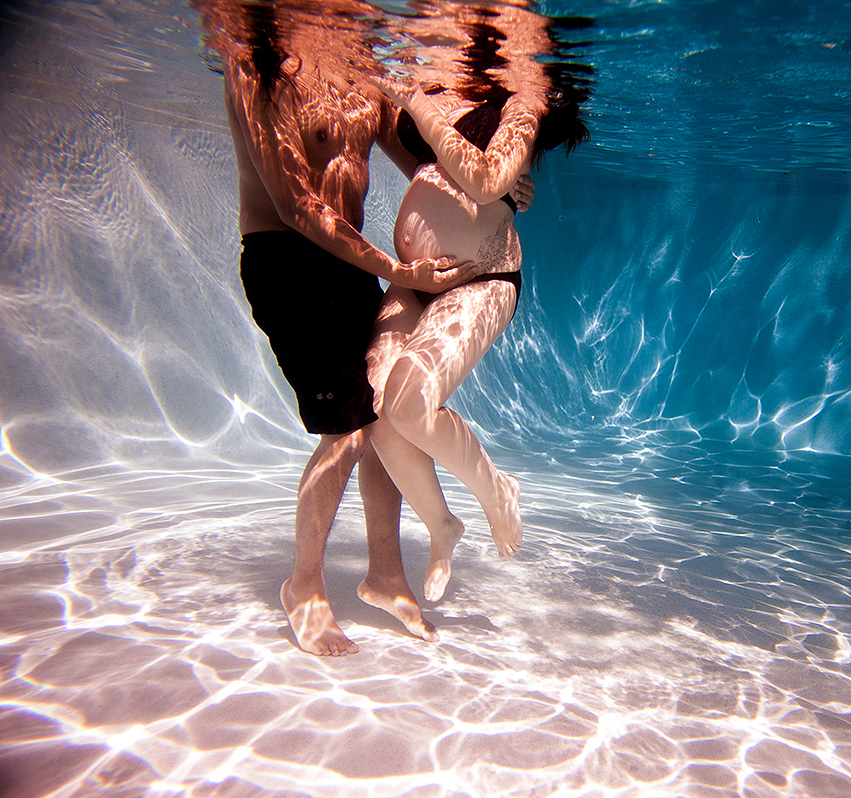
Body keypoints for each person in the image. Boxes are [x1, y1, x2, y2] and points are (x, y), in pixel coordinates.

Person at [206, 0, 535, 655]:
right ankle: (304, 585)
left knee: (382, 412)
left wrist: (500, 190)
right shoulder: (257, 68)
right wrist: (401, 272)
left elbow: (425, 162)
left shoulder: (361, 78)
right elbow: (294, 204)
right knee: (347, 433)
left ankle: (385, 574)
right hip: (291, 264)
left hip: (351, 264)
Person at [363, 1, 590, 604]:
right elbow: (436, 162)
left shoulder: (525, 97)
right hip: (416, 276)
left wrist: (417, 100)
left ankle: (496, 492)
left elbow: (488, 181)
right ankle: (443, 526)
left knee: (410, 406)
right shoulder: (442, 83)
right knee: (377, 412)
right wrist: (428, 140)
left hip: (483, 276)